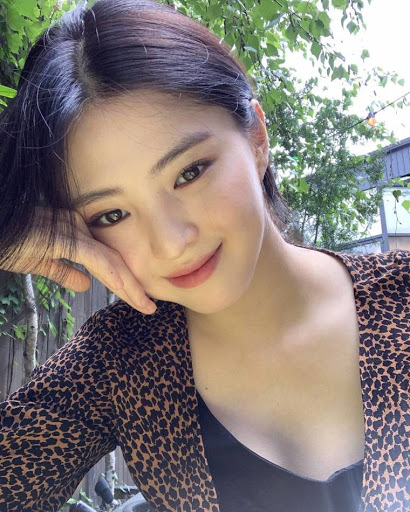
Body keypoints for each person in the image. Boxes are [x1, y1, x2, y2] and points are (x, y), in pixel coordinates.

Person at [0, 0, 408, 511]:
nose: (171, 242)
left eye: (190, 173)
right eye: (112, 214)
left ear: (257, 137)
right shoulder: (121, 362)